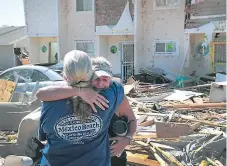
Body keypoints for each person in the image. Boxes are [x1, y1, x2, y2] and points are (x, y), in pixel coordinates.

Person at [36, 56, 137, 166]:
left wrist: (127, 139)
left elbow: (131, 119)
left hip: (107, 153)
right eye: (96, 78)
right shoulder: (60, 95)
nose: (100, 84)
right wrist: (79, 91)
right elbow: (41, 94)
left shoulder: (113, 93)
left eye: (105, 79)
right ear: (87, 78)